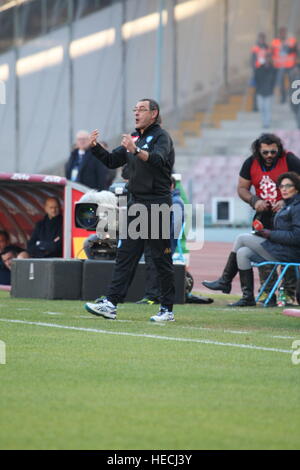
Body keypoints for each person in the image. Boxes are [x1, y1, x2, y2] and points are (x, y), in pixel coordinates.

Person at [84, 98, 176, 322]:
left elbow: (158, 160)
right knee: (126, 256)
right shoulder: (133, 137)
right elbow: (111, 160)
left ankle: (167, 309)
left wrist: (135, 151)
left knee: (159, 259)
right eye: (135, 110)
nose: (136, 113)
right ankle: (111, 304)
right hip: (136, 204)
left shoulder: (161, 137)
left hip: (156, 204)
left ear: (154, 114)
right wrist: (94, 147)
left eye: (142, 110)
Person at [203, 133, 300, 305]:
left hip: (288, 213)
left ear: (279, 150)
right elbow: (241, 188)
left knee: (250, 241)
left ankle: (289, 294)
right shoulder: (250, 162)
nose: (270, 155)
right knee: (251, 253)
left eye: (273, 152)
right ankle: (264, 295)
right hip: (264, 214)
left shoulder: (289, 159)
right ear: (258, 151)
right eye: (266, 152)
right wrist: (254, 200)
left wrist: (285, 200)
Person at [271, 27, 298, 103]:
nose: (283, 34)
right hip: (280, 66)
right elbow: (272, 53)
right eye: (281, 32)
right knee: (281, 83)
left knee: (292, 82)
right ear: (279, 33)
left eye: (284, 32)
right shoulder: (275, 42)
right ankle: (283, 97)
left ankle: (292, 97)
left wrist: (295, 65)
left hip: (290, 65)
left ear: (286, 33)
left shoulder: (291, 41)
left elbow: (295, 52)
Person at [254, 53, 277, 128]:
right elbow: (256, 79)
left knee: (267, 108)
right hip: (260, 91)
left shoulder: (273, 69)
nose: (267, 60)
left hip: (269, 92)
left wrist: (272, 89)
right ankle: (264, 122)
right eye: (266, 58)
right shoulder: (259, 69)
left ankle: (267, 123)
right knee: (261, 108)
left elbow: (274, 81)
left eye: (269, 58)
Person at [251, 33, 271, 111]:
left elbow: (269, 57)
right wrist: (254, 69)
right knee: (257, 88)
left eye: (263, 38)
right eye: (260, 38)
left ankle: (264, 106)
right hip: (258, 70)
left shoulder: (267, 47)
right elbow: (253, 59)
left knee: (265, 88)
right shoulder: (255, 48)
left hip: (265, 71)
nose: (261, 40)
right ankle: (255, 106)